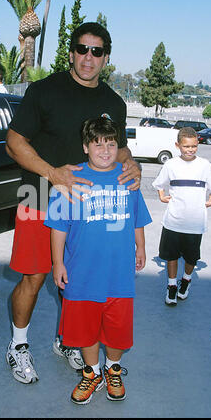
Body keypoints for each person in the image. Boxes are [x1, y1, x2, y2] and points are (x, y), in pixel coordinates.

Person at [5, 22, 142, 384]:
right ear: (71, 52)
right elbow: (14, 142)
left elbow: (119, 147)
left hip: (89, 208)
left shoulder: (114, 102)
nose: (88, 58)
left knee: (76, 281)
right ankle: (18, 346)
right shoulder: (44, 91)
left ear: (106, 58)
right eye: (82, 49)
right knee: (34, 275)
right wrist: (53, 173)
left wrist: (131, 162)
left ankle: (66, 342)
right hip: (38, 196)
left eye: (97, 52)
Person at [44, 116, 152, 404]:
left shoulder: (127, 176)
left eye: (111, 144)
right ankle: (91, 372)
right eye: (97, 144)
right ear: (85, 146)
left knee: (117, 330)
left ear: (119, 147)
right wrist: (58, 262)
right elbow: (58, 226)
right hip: (82, 274)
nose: (105, 150)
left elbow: (137, 218)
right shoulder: (72, 178)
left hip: (118, 274)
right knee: (85, 329)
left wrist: (140, 246)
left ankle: (112, 369)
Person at [152, 127, 211, 306]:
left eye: (193, 146)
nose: (190, 150)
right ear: (178, 145)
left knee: (191, 258)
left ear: (197, 144)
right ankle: (172, 286)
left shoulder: (205, 165)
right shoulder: (170, 165)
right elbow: (159, 183)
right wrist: (161, 195)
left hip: (195, 223)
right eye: (186, 146)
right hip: (173, 221)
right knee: (171, 256)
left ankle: (186, 280)